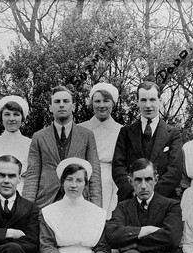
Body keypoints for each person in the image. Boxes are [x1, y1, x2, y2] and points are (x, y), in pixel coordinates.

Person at [22, 85, 102, 208]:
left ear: (73, 106)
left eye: (66, 101)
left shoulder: (87, 135)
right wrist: (26, 209)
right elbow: (32, 175)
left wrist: (96, 209)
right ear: (50, 108)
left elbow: (94, 174)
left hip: (79, 202)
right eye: (57, 101)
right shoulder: (39, 137)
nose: (61, 105)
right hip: (46, 202)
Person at [112, 81, 182, 201]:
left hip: (163, 201)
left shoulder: (173, 134)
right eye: (143, 100)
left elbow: (175, 170)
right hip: (130, 200)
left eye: (152, 99)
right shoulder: (126, 132)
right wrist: (134, 192)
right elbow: (118, 167)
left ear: (160, 100)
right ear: (138, 102)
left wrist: (153, 195)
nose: (148, 105)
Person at [80, 82, 122, 219]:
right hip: (83, 178)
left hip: (111, 180)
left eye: (106, 101)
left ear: (113, 103)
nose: (101, 105)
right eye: (97, 101)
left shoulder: (121, 130)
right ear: (91, 103)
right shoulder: (81, 129)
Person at [0, 95, 32, 194]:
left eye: (16, 114)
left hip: (23, 193)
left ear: (23, 118)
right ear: (1, 117)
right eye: (7, 114)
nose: (11, 119)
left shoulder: (31, 144)